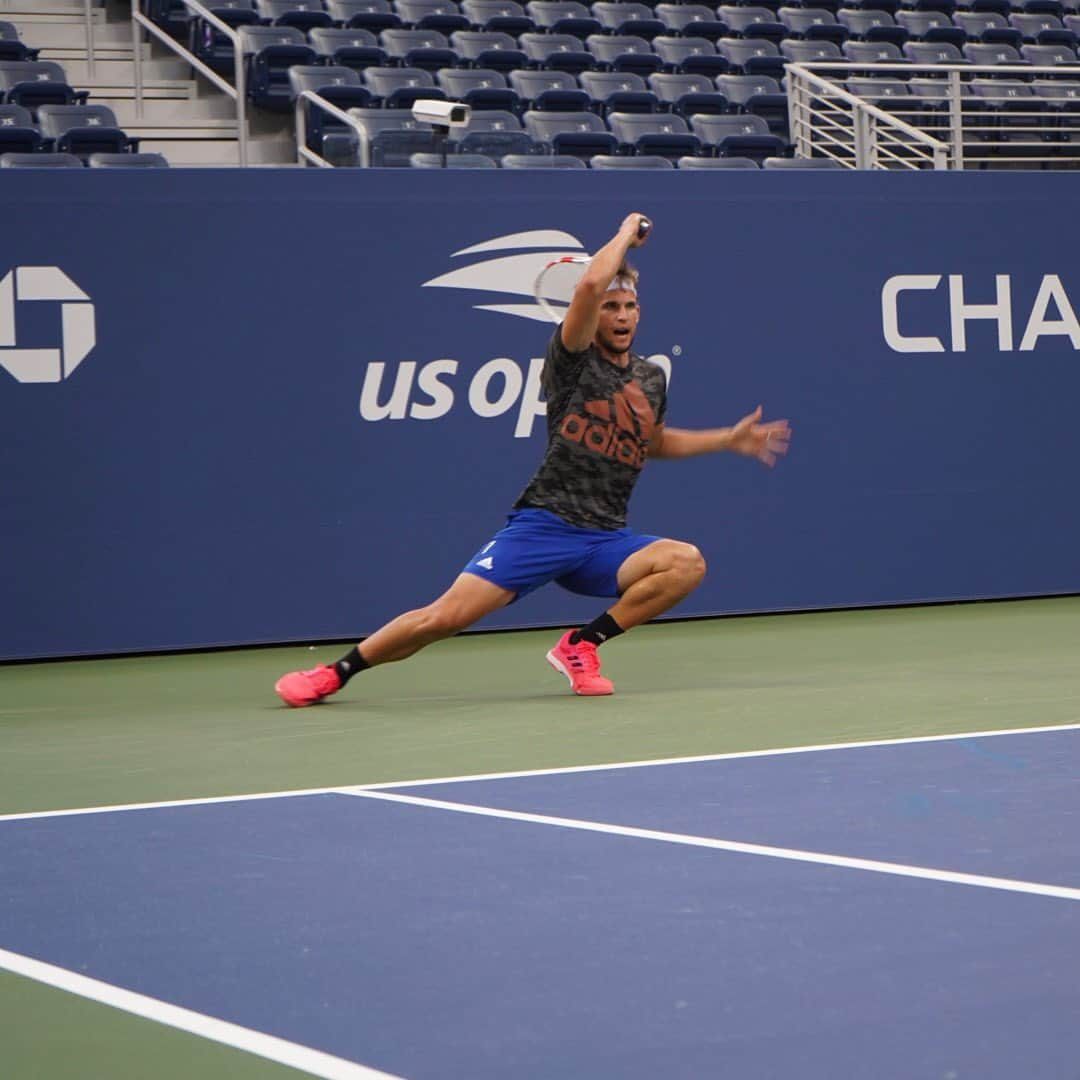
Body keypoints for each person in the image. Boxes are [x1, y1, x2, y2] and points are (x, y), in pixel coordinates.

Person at [275, 212, 790, 706]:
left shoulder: (649, 378)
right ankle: (334, 673)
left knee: (684, 563)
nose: (622, 316)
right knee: (443, 619)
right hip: (543, 527)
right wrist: (624, 233)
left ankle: (581, 645)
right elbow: (589, 286)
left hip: (605, 539)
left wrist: (727, 438)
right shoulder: (571, 359)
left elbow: (651, 443)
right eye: (611, 307)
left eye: (629, 307)